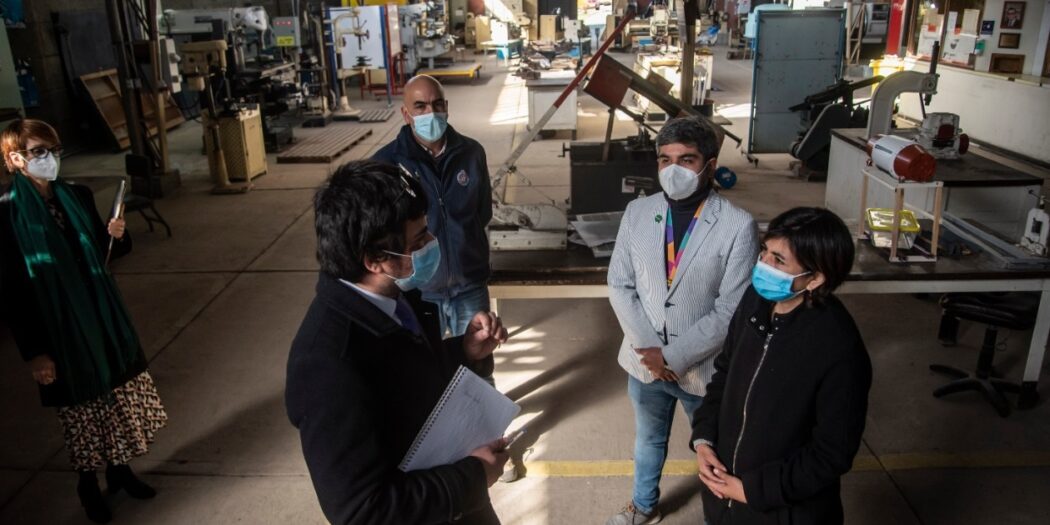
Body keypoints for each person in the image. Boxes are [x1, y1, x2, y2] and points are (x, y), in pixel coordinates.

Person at [285, 160, 510, 524]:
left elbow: (406, 373)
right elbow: (362, 511)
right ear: (374, 260)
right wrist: (472, 477)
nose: (431, 244)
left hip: (457, 503)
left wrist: (464, 352)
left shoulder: (395, 296)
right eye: (418, 240)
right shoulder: (326, 365)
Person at [0, 119, 166, 524]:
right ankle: (88, 484)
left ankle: (121, 471)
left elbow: (108, 253)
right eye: (39, 152)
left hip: (102, 316)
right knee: (81, 412)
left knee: (118, 395)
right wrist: (36, 353)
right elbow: (13, 292)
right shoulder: (7, 216)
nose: (50, 159)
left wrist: (118, 234)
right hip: (61, 331)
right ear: (15, 158)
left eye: (53, 150)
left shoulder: (77, 194)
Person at [606, 116, 759, 525]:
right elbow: (619, 285)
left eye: (686, 159)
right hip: (644, 364)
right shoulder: (638, 212)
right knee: (649, 439)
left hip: (703, 369)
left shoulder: (737, 225)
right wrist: (649, 353)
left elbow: (731, 309)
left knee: (715, 448)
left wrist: (672, 357)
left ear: (710, 165)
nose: (673, 169)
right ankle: (643, 506)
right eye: (664, 159)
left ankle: (721, 514)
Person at [691, 207, 872, 525]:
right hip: (723, 503)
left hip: (783, 513)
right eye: (764, 251)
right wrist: (704, 439)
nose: (763, 265)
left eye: (779, 260)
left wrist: (751, 491)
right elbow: (724, 373)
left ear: (815, 278)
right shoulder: (754, 301)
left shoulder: (839, 346)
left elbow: (831, 454)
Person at [372, 75, 493, 342]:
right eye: (420, 106)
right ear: (406, 114)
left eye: (437, 105)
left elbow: (482, 213)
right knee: (422, 372)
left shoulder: (472, 153)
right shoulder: (385, 165)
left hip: (470, 285)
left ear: (446, 107)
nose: (431, 113)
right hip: (417, 291)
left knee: (477, 366)